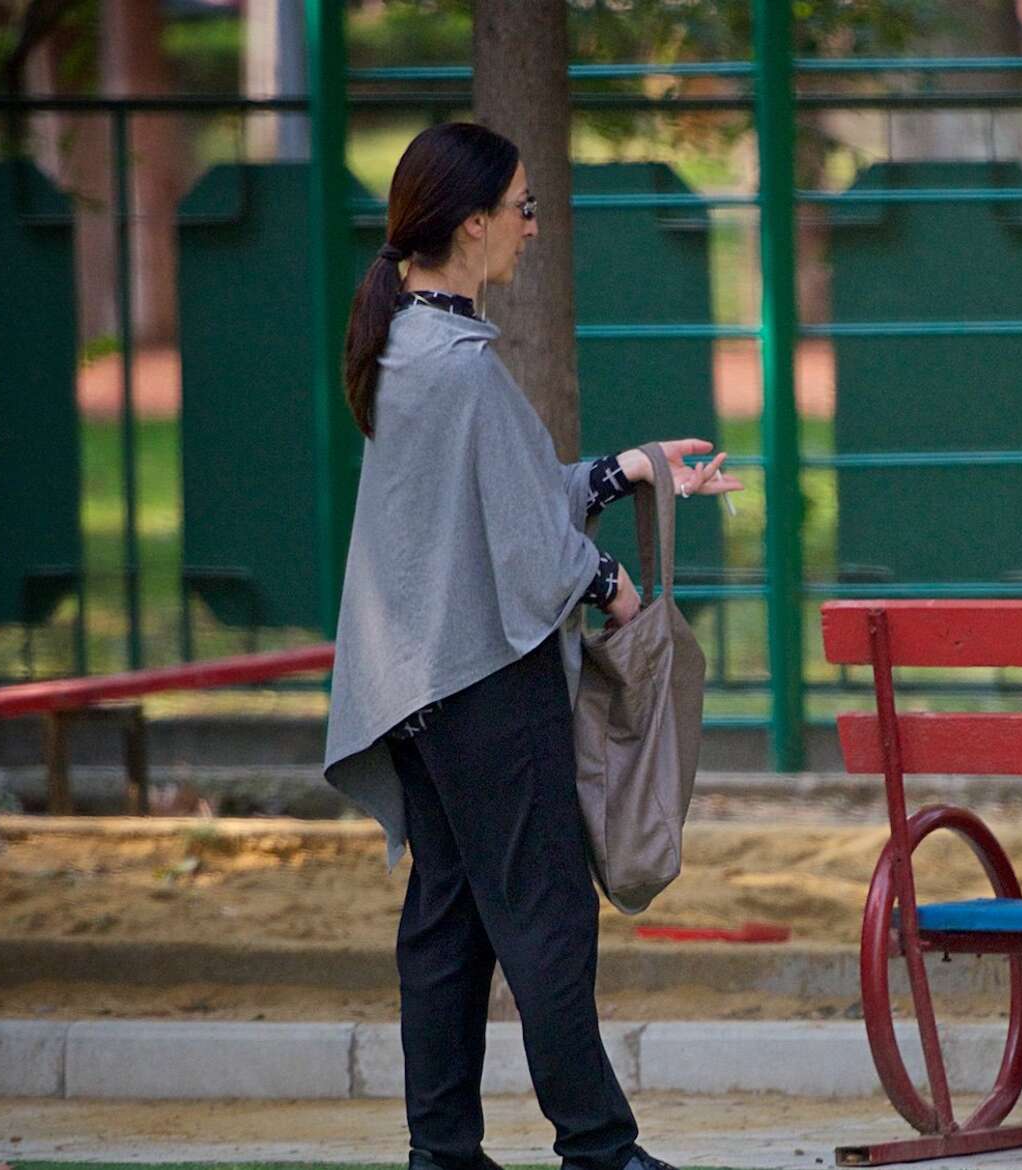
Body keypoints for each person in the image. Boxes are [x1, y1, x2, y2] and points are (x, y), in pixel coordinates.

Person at [321, 122, 740, 1170]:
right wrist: (613, 586)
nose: (532, 228)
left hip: (416, 683)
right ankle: (597, 1149)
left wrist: (632, 473)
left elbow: (509, 499)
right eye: (521, 207)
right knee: (547, 914)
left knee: (451, 920)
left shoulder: (409, 347)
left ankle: (442, 1153)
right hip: (480, 681)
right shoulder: (454, 367)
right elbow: (525, 544)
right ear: (469, 224)